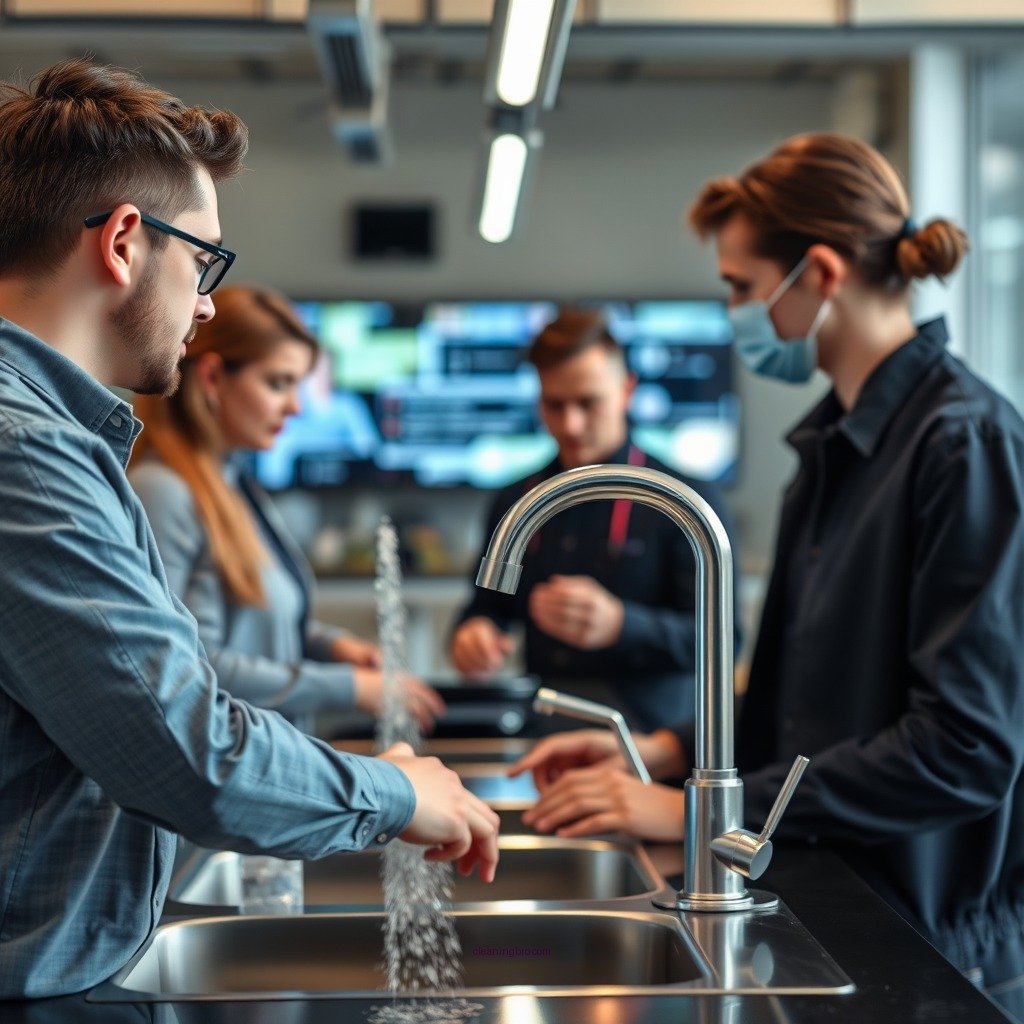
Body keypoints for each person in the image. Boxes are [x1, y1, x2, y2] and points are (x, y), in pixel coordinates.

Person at [0, 59, 498, 1001]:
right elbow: (185, 750)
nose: (208, 303)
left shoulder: (47, 437)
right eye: (204, 260)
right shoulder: (25, 451)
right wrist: (395, 795)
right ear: (123, 242)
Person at [508, 132, 1024, 1020]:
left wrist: (703, 814)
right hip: (833, 891)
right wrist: (669, 755)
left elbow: (962, 751)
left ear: (820, 273)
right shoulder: (830, 447)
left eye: (742, 287)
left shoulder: (962, 444)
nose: (737, 312)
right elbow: (804, 703)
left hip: (931, 939)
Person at [128, 284, 445, 734]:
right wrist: (347, 686)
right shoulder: (164, 492)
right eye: (278, 383)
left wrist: (331, 647)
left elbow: (255, 625)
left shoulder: (231, 482)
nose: (296, 406)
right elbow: (185, 665)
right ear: (213, 378)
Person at [449, 308, 739, 732]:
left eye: (588, 402)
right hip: (544, 728)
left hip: (653, 738)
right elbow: (488, 607)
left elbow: (725, 640)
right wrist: (473, 635)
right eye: (554, 404)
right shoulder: (516, 501)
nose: (571, 424)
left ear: (627, 390)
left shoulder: (685, 501)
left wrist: (623, 625)